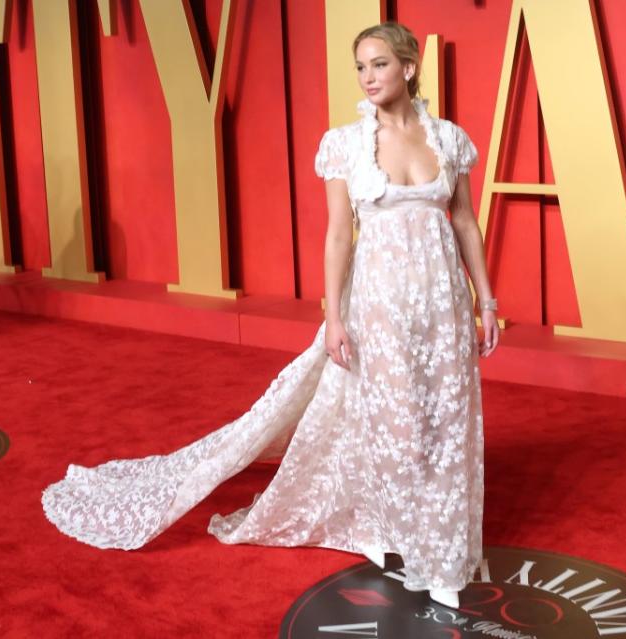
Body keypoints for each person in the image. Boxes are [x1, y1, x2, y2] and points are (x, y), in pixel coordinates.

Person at [42, 21, 499, 610]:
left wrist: (485, 301)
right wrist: (334, 316)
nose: (368, 77)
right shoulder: (345, 144)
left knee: (445, 420)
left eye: (379, 64)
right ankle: (391, 531)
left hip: (442, 304)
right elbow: (339, 236)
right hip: (378, 302)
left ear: (408, 68)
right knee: (394, 421)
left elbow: (464, 222)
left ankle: (441, 548)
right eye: (360, 67)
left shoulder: (449, 140)